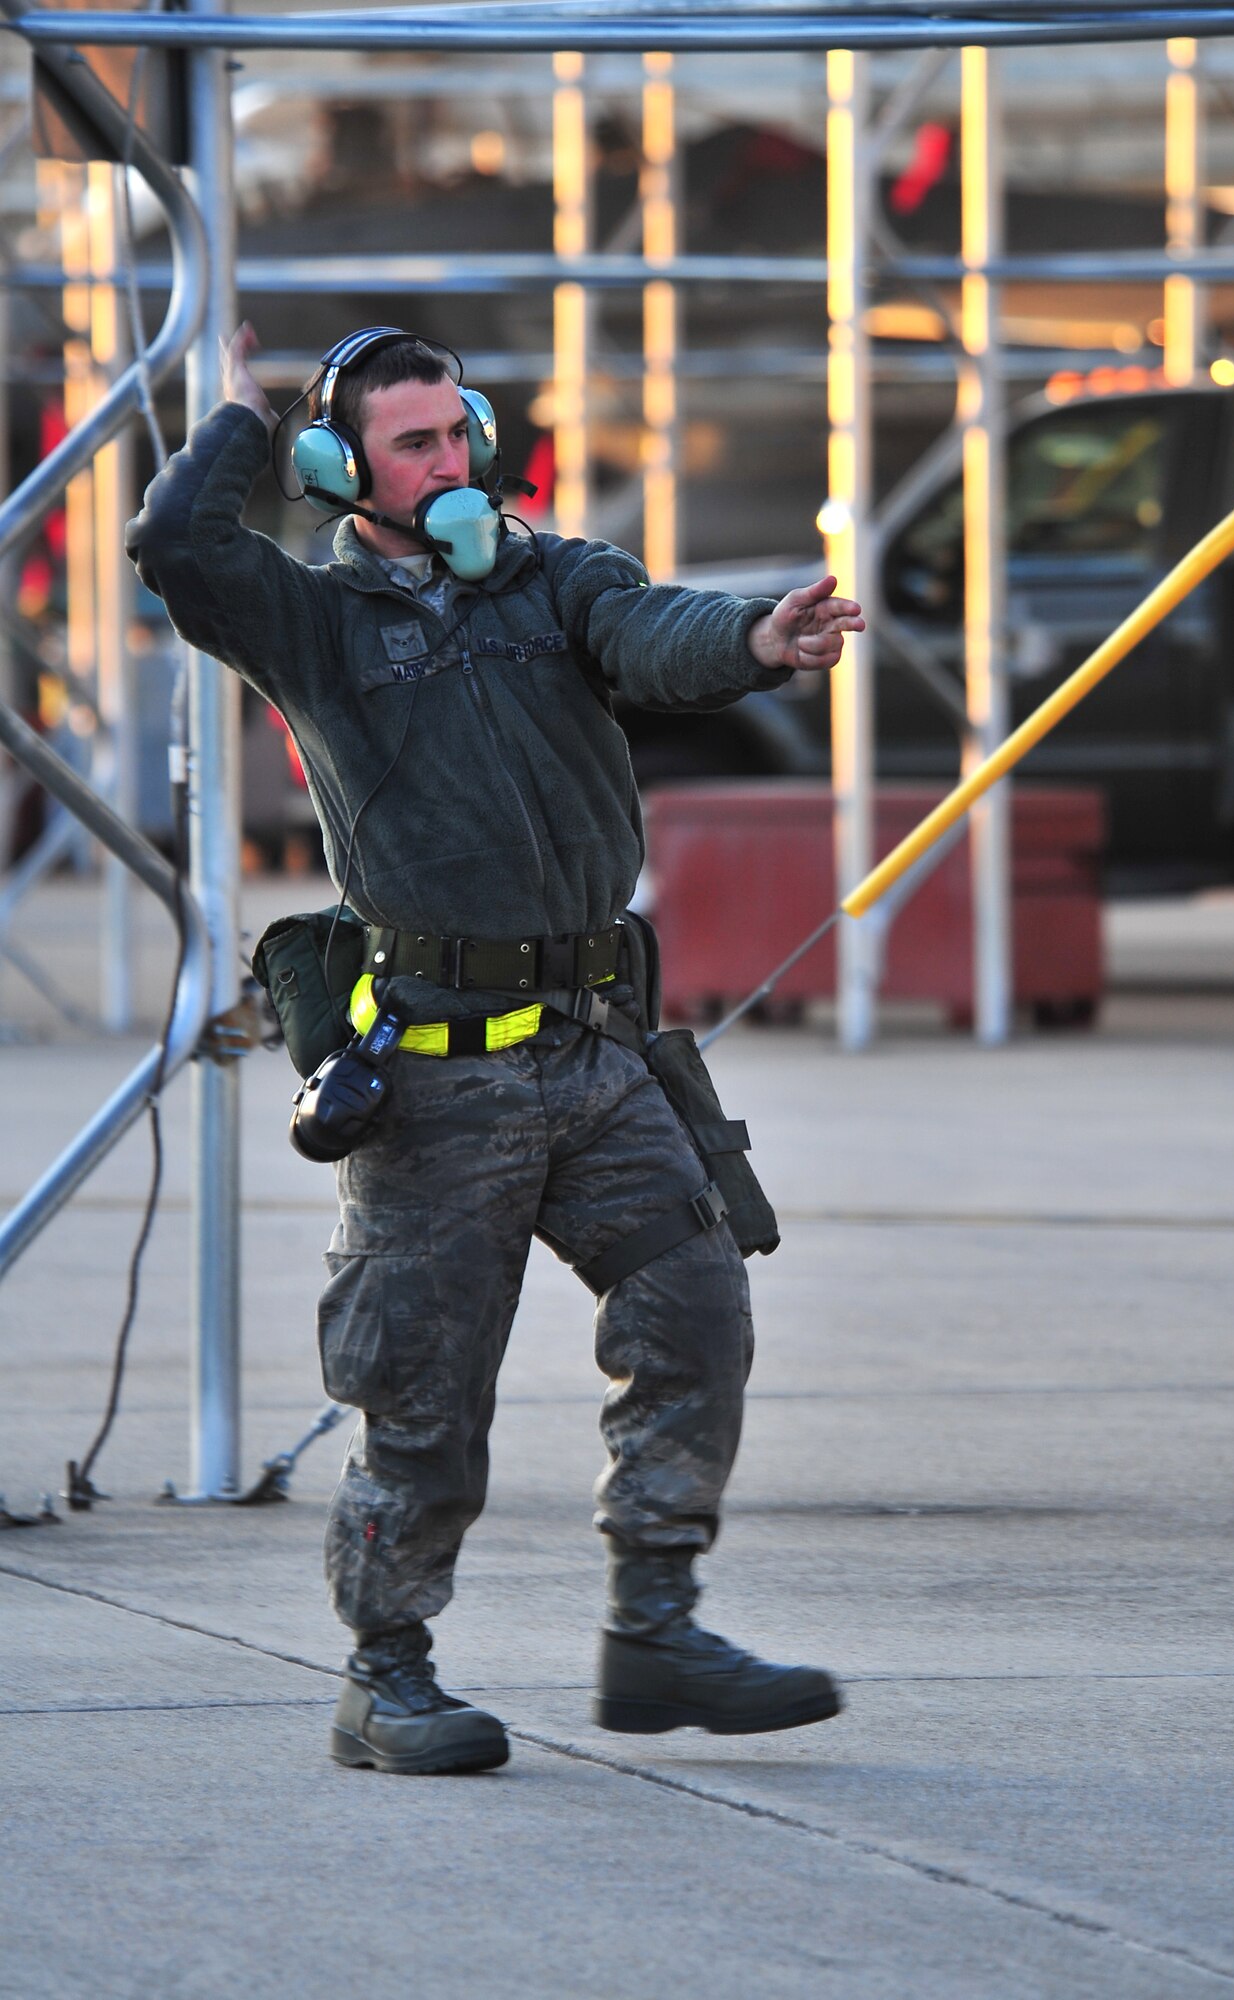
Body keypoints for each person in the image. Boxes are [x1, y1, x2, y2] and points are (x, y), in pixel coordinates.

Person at [127, 322, 865, 1777]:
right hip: (439, 1073)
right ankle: (384, 1675)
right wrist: (235, 419)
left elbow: (653, 630)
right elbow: (178, 548)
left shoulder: (552, 577)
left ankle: (654, 1627)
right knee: (422, 1390)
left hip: (595, 1052)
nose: (453, 464)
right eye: (417, 445)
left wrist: (758, 638)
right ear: (349, 470)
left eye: (460, 434)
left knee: (695, 1305)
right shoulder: (317, 627)